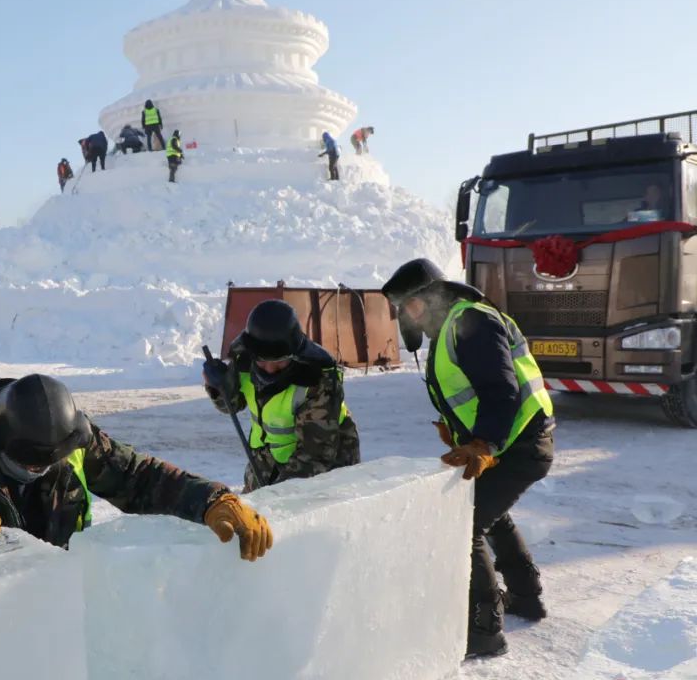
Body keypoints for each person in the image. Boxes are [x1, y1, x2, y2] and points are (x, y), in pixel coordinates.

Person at [0, 374, 273, 565]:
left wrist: (213, 500)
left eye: (47, 463)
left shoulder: (72, 440)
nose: (38, 471)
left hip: (55, 618)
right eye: (26, 464)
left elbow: (140, 477)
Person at [381, 258, 554, 659]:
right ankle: (527, 597)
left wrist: (483, 444)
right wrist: (459, 433)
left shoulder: (469, 322)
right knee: (493, 514)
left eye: (409, 307)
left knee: (465, 525)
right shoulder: (452, 328)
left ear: (428, 299)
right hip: (514, 444)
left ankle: (484, 630)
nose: (408, 318)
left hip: (519, 445)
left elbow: (499, 389)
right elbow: (471, 392)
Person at [203, 300, 360, 491]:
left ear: (294, 355)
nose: (269, 370)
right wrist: (220, 388)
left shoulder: (315, 379)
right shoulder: (244, 360)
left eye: (279, 362)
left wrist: (277, 497)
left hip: (326, 466)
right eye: (262, 362)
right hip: (268, 460)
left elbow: (315, 456)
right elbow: (232, 406)